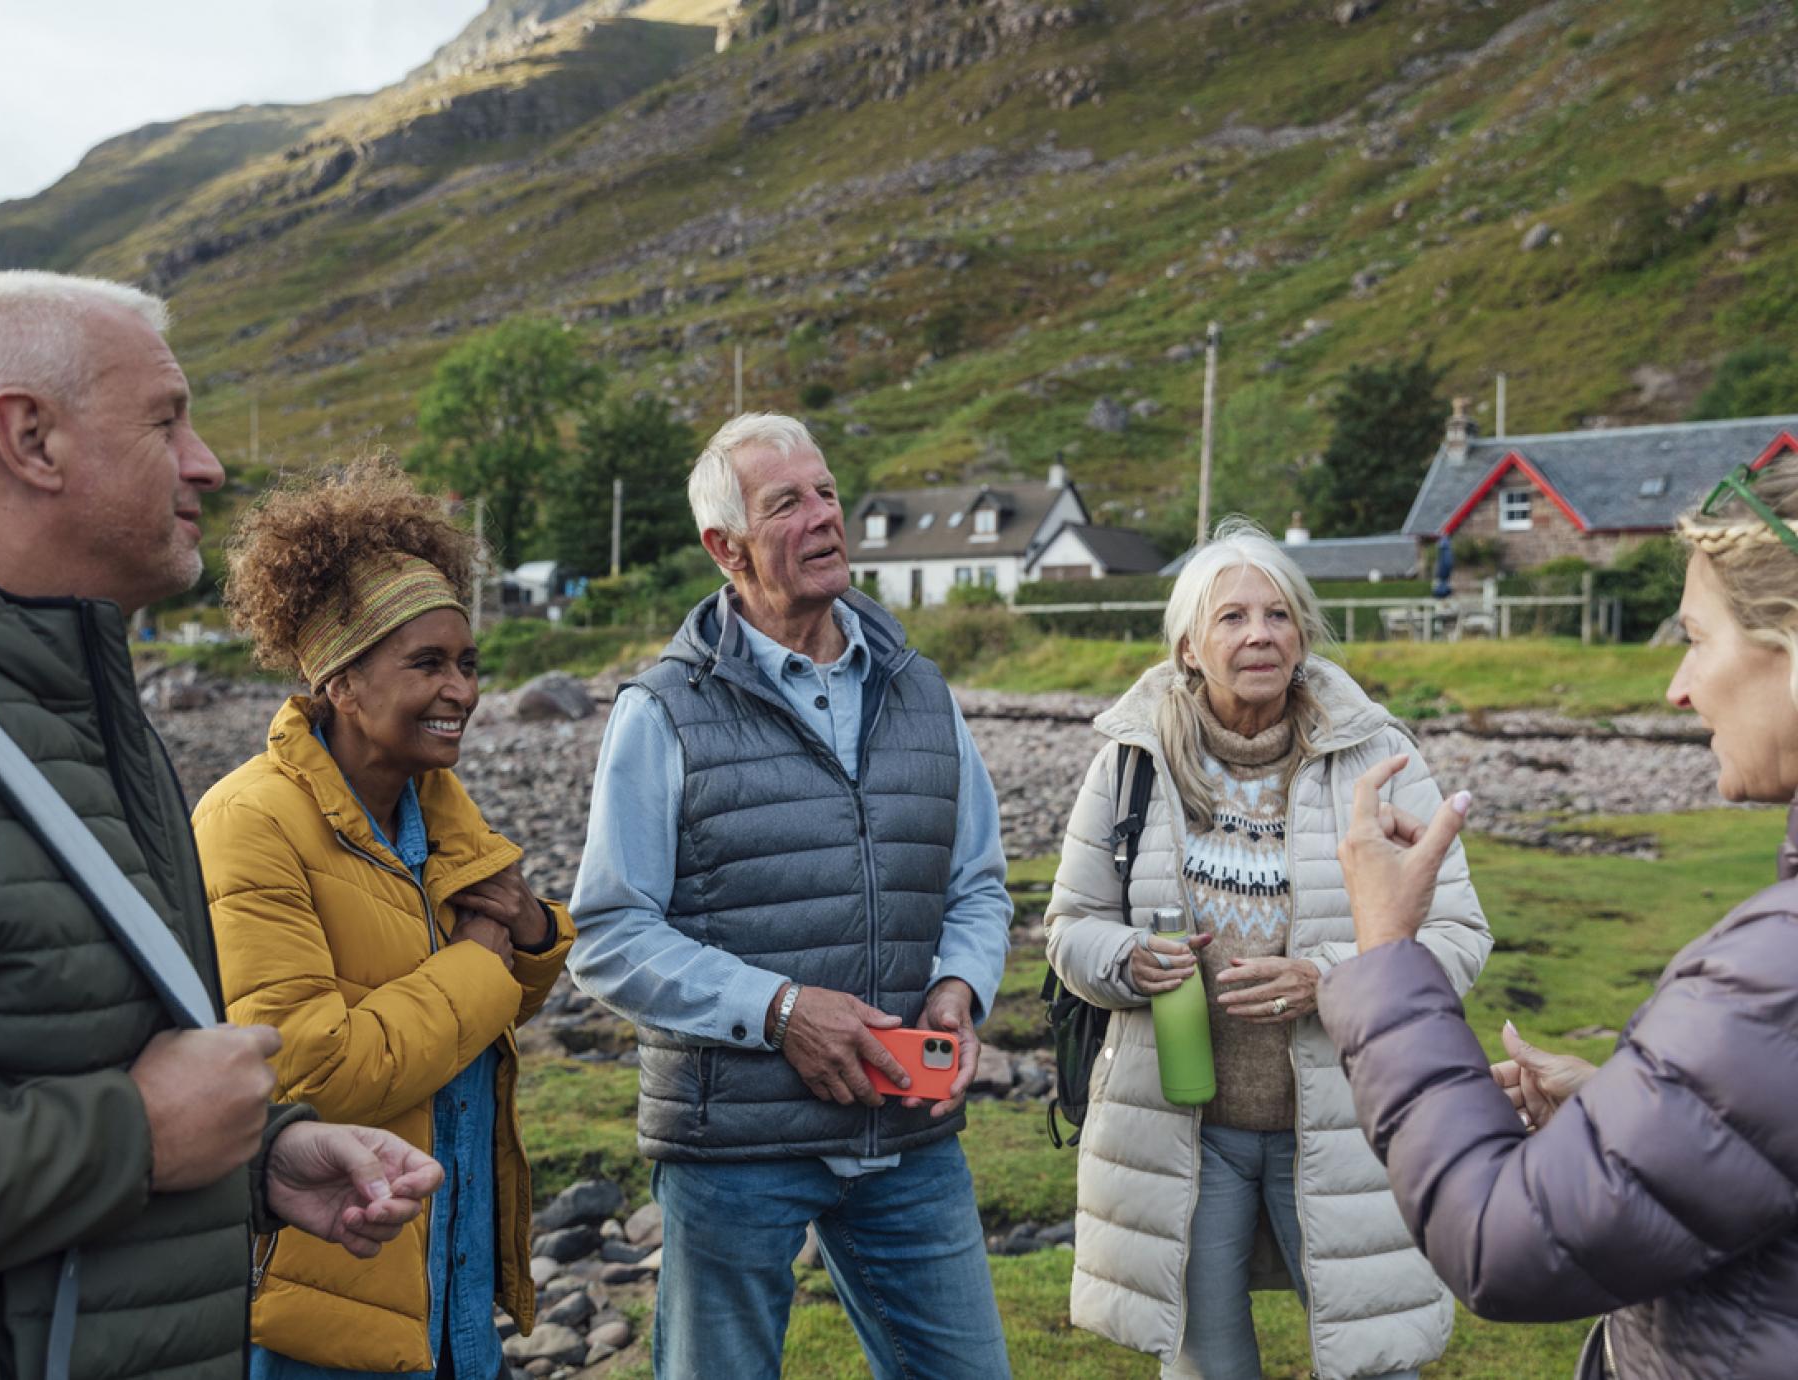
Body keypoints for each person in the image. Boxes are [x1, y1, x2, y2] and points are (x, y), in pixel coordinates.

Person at [0, 270, 441, 1379]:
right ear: (30, 438)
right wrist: (132, 1144)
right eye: (166, 420)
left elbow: (51, 1055)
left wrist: (259, 1159)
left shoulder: (77, 700)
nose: (208, 464)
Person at [1321, 457, 1798, 1380]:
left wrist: (1383, 949)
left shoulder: (1775, 973)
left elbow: (1503, 1244)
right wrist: (1626, 1118)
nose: (1678, 688)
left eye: (1697, 639)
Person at [567, 413, 1012, 1379]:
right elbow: (607, 934)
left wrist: (958, 990)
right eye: (788, 504)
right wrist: (779, 1012)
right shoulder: (662, 711)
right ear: (724, 548)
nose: (823, 518)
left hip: (907, 1131)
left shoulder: (921, 690)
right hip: (734, 1147)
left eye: (828, 494)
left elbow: (976, 883)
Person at [1042, 517, 1492, 1380]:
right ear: (1187, 647)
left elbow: (1456, 937)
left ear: (1305, 634)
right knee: (1208, 1364)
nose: (1260, 634)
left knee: (1373, 1362)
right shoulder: (1131, 764)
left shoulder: (1380, 756)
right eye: (1233, 618)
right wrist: (1127, 961)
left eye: (1279, 615)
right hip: (1183, 1128)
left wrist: (1327, 982)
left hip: (1348, 1121)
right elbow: (1069, 928)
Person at [195, 456, 573, 1379]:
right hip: (331, 1297)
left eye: (470, 663)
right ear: (342, 683)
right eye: (428, 664)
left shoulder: (440, 806)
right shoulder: (249, 822)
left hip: (449, 1275)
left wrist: (530, 936)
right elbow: (312, 1070)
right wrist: (489, 956)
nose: (464, 691)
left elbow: (468, 1022)